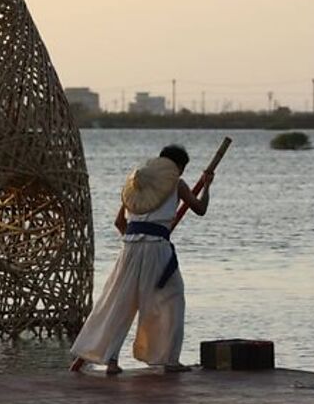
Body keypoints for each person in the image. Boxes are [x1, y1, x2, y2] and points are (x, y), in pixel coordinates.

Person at [70, 145, 212, 375]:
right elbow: (200, 208)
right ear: (178, 168)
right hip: (157, 249)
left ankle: (111, 360)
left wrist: (137, 238)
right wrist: (207, 185)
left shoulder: (135, 185)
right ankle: (169, 360)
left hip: (130, 247)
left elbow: (120, 223)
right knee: (171, 298)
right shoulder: (176, 184)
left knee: (120, 302)